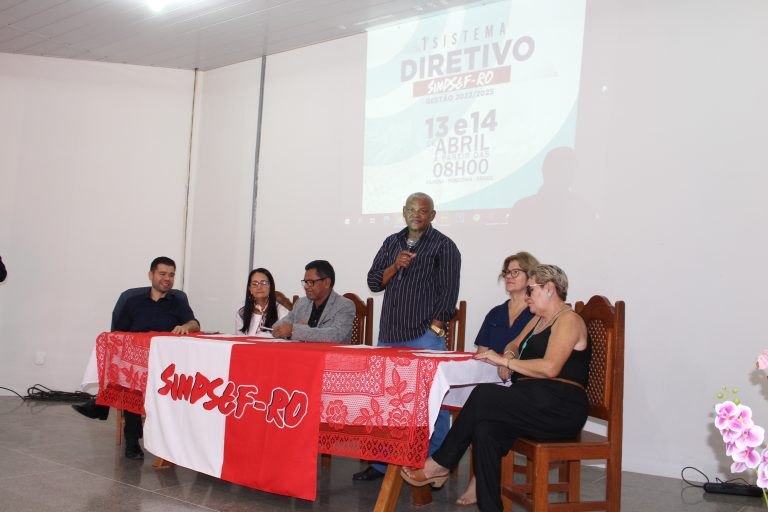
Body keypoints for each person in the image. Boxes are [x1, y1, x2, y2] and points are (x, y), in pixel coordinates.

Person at [400, 264, 591, 512]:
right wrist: (509, 356)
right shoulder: (538, 319)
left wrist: (505, 362)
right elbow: (512, 344)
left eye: (530, 290)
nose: (527, 296)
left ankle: (441, 463)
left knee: (484, 394)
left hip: (560, 407)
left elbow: (550, 368)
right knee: (485, 429)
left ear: (550, 289)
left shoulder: (569, 320)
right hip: (534, 401)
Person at [354, 192, 461, 481]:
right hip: (390, 333)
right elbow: (374, 281)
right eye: (412, 209)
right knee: (385, 402)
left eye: (423, 210)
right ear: (404, 212)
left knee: (432, 402)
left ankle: (433, 462)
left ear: (432, 215)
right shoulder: (392, 242)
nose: (416, 214)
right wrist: (395, 265)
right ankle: (381, 465)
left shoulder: (444, 246)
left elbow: (449, 293)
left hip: (423, 336)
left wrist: (435, 329)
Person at [72, 256, 200, 461]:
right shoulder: (132, 302)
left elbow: (195, 323)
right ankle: (131, 442)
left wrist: (186, 326)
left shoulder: (178, 302)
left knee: (132, 380)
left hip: (164, 364)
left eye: (171, 275)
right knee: (131, 381)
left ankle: (100, 404)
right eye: (162, 274)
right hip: (135, 361)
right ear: (151, 275)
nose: (167, 279)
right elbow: (118, 335)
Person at [456, 251, 539, 506]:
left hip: (523, 384)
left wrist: (508, 364)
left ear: (530, 276)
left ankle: (471, 477)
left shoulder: (538, 313)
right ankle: (476, 477)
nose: (509, 277)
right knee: (478, 401)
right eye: (506, 273)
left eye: (515, 272)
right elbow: (481, 353)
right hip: (492, 380)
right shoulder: (495, 313)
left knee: (483, 408)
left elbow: (539, 358)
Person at [271, 260, 355, 343]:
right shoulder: (301, 303)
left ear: (327, 283)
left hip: (331, 352)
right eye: (305, 282)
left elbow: (335, 335)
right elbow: (276, 327)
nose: (306, 286)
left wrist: (296, 330)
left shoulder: (345, 305)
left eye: (311, 282)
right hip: (301, 351)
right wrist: (287, 329)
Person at [235, 267, 289, 335]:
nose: (259, 287)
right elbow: (239, 336)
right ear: (250, 289)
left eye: (263, 283)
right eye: (254, 284)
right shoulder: (242, 309)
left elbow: (285, 337)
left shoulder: (281, 310)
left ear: (270, 287)